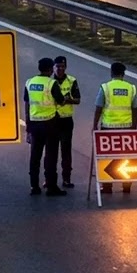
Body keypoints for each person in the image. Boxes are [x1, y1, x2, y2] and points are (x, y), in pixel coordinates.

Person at [92, 61, 137, 194]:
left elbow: (98, 108)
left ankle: (107, 186)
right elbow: (135, 109)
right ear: (123, 74)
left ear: (111, 73)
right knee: (125, 157)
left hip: (108, 128)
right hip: (127, 128)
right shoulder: (131, 88)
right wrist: (134, 126)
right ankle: (126, 185)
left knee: (107, 157)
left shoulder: (105, 87)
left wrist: (95, 125)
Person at [24, 57, 66, 196]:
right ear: (50, 69)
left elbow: (27, 104)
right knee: (51, 156)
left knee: (35, 156)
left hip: (34, 123)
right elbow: (61, 101)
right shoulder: (51, 83)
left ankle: (34, 187)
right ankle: (51, 186)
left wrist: (28, 127)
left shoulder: (29, 82)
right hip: (50, 123)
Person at [50, 55, 81, 188]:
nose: (60, 69)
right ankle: (50, 179)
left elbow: (78, 100)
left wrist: (66, 100)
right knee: (52, 151)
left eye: (63, 66)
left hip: (66, 120)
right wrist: (63, 99)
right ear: (53, 68)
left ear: (66, 67)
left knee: (66, 151)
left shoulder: (72, 81)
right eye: (57, 67)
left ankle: (66, 178)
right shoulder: (49, 82)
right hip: (52, 119)